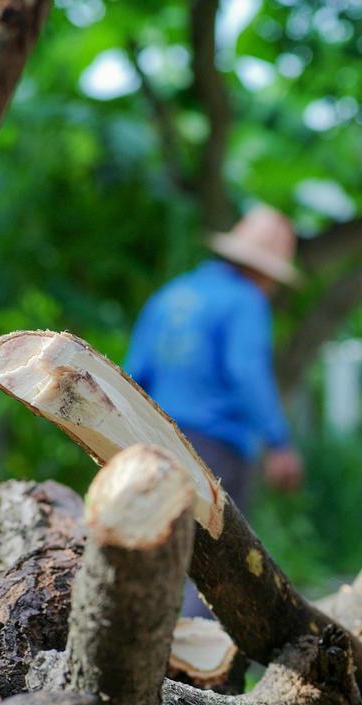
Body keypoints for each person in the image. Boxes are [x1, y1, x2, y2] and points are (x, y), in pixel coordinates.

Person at [124, 203, 304, 616]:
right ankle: (193, 669)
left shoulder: (172, 294)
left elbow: (135, 374)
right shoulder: (246, 301)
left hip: (153, 440)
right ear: (265, 271)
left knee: (155, 546)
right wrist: (279, 442)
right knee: (211, 563)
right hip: (215, 447)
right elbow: (246, 373)